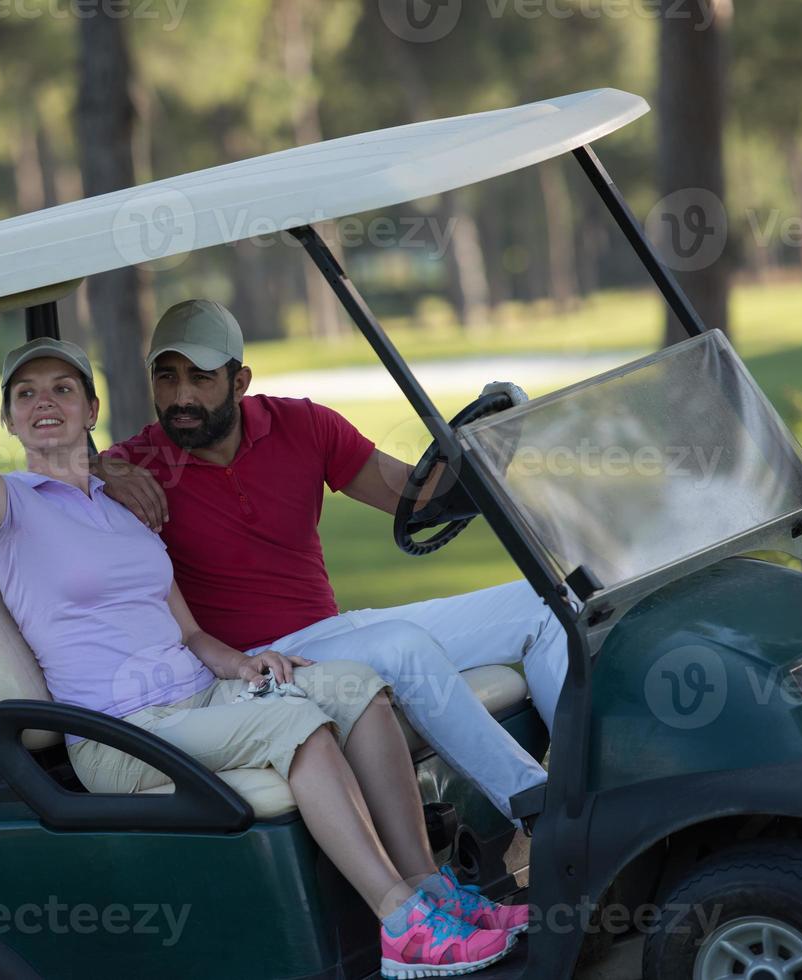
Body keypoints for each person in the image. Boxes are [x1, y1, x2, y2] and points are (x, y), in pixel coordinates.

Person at [0, 338, 527, 978]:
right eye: (24, 394)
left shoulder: (126, 509)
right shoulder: (9, 509)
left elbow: (191, 635)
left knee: (355, 689)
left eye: (61, 389)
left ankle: (428, 890)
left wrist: (245, 665)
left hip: (197, 699)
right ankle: (400, 925)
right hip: (120, 734)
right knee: (292, 726)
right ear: (11, 421)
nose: (43, 403)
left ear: (92, 409)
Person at [97, 299, 569, 828]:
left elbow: (413, 499)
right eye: (167, 377)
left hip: (334, 632)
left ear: (239, 381)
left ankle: (589, 781)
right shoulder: (133, 464)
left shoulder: (302, 424)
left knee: (545, 603)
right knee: (399, 645)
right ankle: (545, 812)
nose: (181, 397)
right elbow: (32, 489)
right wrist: (97, 468)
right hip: (251, 667)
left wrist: (491, 439)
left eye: (201, 378)